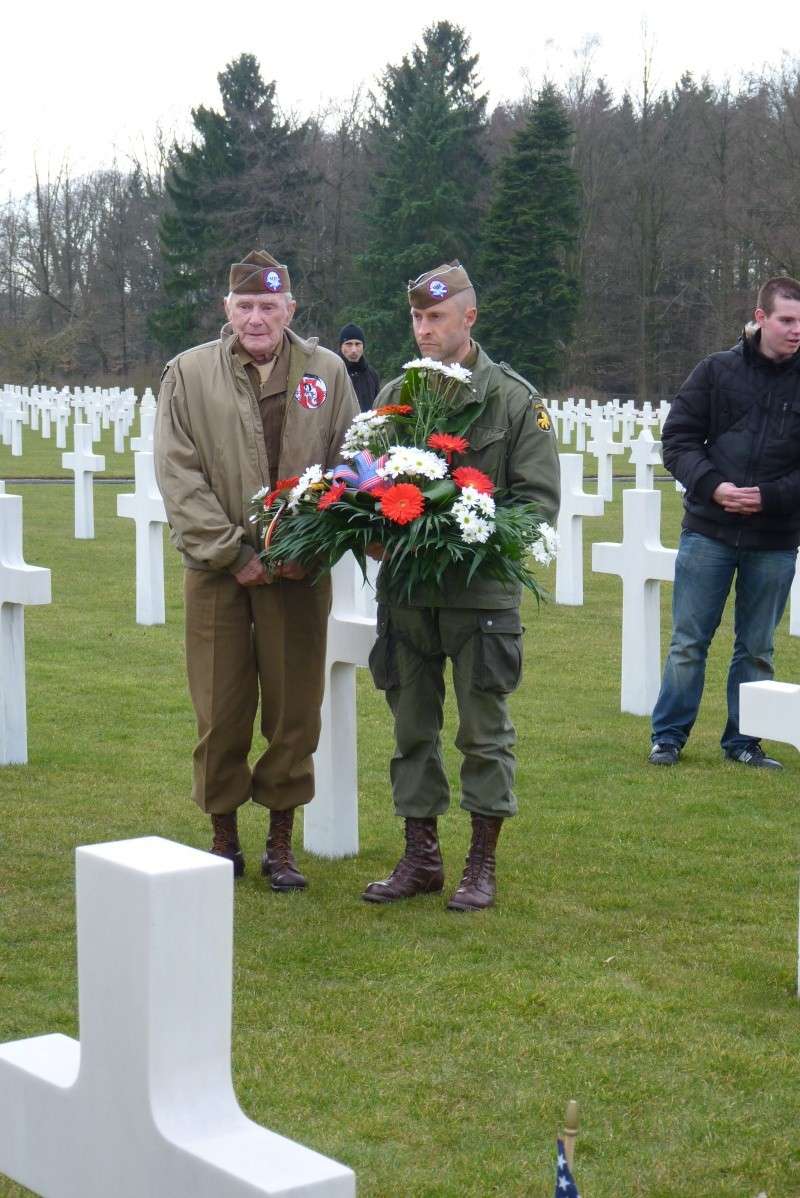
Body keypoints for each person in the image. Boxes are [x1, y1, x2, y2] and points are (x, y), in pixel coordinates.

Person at [154, 249, 357, 888]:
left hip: (299, 571)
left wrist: (312, 547)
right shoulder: (189, 374)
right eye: (245, 306)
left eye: (269, 305)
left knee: (295, 708)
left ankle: (280, 842)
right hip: (219, 572)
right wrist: (231, 553)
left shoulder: (326, 372)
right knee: (220, 705)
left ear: (289, 309)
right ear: (227, 310)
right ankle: (223, 837)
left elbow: (353, 466)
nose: (257, 317)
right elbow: (178, 473)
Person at [361, 261, 560, 912]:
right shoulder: (397, 394)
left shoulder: (510, 399)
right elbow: (367, 484)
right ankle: (421, 856)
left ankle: (481, 862)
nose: (424, 329)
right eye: (417, 317)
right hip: (409, 600)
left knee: (484, 732)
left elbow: (537, 503)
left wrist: (466, 529)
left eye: (436, 317)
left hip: (479, 601)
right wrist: (367, 523)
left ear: (468, 318)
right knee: (411, 730)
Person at [649, 275, 800, 769]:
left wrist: (770, 497)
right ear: (760, 318)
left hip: (775, 536)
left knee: (757, 648)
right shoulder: (715, 371)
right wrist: (714, 486)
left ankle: (744, 741)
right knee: (689, 642)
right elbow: (678, 441)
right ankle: (668, 737)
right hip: (709, 531)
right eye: (787, 320)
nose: (796, 330)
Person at [338, 322, 380, 412]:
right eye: (348, 344)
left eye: (357, 344)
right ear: (341, 346)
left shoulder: (372, 375)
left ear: (363, 346)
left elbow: (378, 407)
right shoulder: (333, 372)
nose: (354, 350)